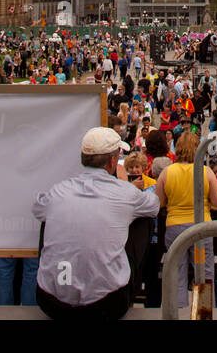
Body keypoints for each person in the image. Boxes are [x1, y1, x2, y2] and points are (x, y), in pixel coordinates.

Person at [32, 127, 157, 320]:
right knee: (144, 219)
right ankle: (134, 282)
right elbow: (153, 206)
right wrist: (126, 189)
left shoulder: (59, 191)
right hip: (106, 304)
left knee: (48, 218)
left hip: (53, 300)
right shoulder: (125, 193)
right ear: (112, 161)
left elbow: (38, 208)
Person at [155, 131, 217, 311]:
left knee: (176, 272)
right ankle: (203, 312)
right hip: (201, 228)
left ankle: (176, 311)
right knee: (204, 272)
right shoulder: (206, 172)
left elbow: (159, 202)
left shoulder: (166, 173)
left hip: (174, 227)